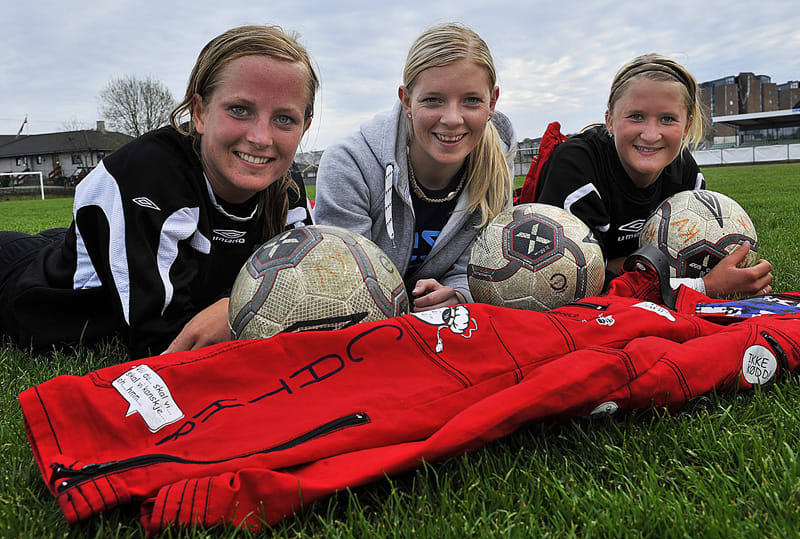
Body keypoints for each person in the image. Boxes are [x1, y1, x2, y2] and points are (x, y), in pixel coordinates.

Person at [0, 25, 317, 359]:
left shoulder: (284, 182)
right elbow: (163, 344)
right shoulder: (146, 172)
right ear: (200, 112)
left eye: (285, 119)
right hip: (24, 281)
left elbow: (310, 287)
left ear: (304, 127)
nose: (261, 138)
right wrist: (238, 307)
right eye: (239, 109)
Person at [535, 53, 772, 298]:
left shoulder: (685, 172)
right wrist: (703, 287)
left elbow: (691, 265)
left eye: (667, 119)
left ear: (686, 126)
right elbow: (568, 282)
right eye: (636, 116)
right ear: (610, 120)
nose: (650, 135)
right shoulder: (576, 166)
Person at [314, 23, 516, 311]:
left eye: (471, 101)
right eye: (433, 100)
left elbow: (477, 268)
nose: (452, 119)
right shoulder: (350, 164)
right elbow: (345, 283)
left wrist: (458, 295)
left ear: (492, 101)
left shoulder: (497, 165)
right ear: (407, 100)